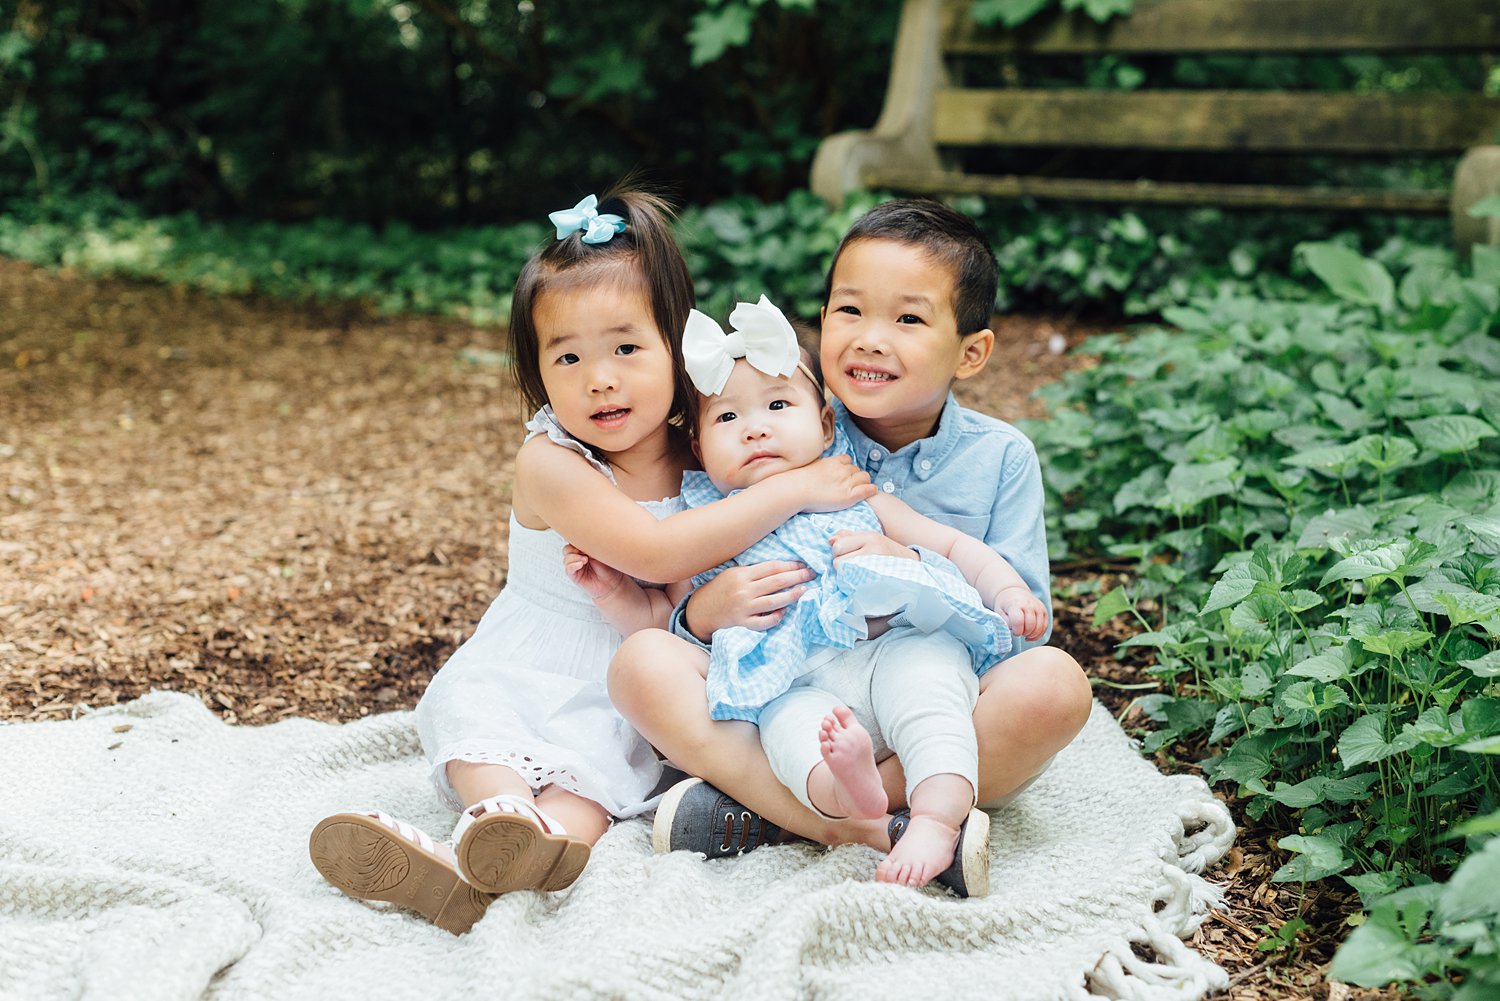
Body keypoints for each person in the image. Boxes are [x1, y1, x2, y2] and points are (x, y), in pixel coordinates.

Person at [307, 189, 874, 934]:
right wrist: (800, 485)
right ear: (537, 373)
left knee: (594, 784)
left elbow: (700, 578)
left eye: (626, 348)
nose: (599, 378)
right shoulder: (552, 462)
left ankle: (509, 867)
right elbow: (660, 550)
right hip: (530, 661)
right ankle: (494, 817)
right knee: (490, 733)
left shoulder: (709, 453)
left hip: (634, 679)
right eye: (567, 356)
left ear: (677, 347)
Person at [607, 198, 1094, 893]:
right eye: (849, 311)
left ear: (971, 351)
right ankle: (860, 821)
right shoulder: (776, 423)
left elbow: (1018, 630)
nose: (869, 338)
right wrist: (706, 611)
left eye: (908, 318)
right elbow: (689, 575)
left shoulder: (1002, 458)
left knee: (1055, 684)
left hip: (939, 693)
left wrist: (913, 565)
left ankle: (782, 815)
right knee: (640, 664)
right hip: (800, 694)